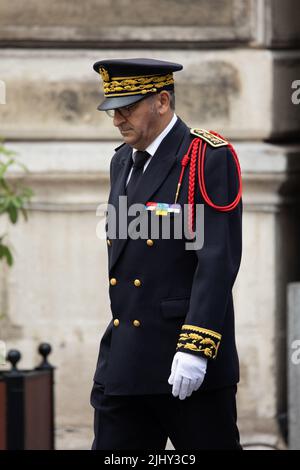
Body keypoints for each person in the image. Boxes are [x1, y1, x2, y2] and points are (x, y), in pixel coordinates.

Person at [90, 58, 243, 450]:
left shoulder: (205, 156)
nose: (118, 120)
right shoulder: (122, 159)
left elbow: (216, 260)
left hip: (186, 364)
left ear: (161, 101)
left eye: (128, 108)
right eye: (113, 110)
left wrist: (196, 348)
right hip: (126, 360)